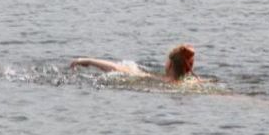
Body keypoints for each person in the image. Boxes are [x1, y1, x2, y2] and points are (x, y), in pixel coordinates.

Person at [70, 44, 199, 82]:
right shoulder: (193, 82)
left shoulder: (154, 79)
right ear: (188, 69)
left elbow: (116, 68)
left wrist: (87, 60)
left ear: (170, 65)